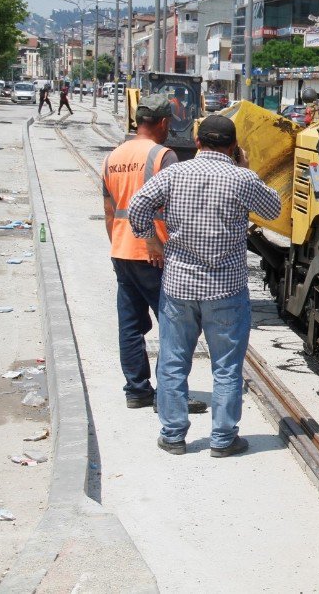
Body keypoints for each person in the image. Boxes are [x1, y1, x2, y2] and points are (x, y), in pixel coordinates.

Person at [128, 115, 281, 457]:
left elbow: (138, 205)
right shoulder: (241, 178)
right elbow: (274, 208)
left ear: (197, 142)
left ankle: (173, 435)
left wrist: (150, 239)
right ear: (232, 146)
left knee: (173, 361)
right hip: (226, 289)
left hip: (179, 287)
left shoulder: (174, 173)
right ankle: (223, 439)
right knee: (226, 366)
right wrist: (245, 167)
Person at [102, 94, 207, 415]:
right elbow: (178, 207)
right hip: (157, 254)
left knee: (131, 324)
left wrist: (121, 243)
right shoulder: (163, 156)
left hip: (122, 251)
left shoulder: (113, 157)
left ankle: (137, 390)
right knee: (177, 324)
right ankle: (171, 393)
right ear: (162, 123)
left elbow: (109, 211)